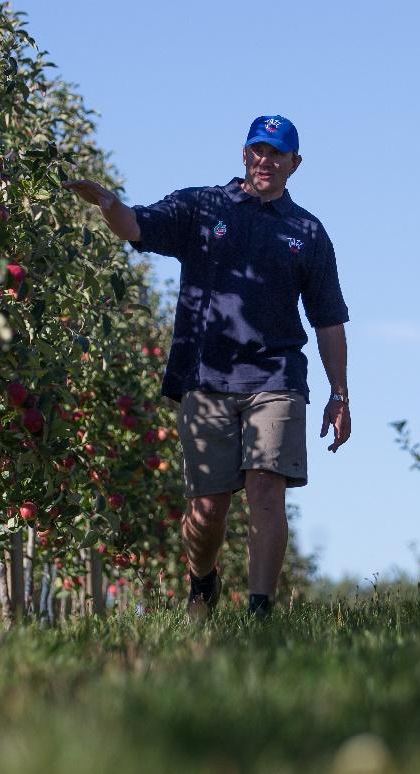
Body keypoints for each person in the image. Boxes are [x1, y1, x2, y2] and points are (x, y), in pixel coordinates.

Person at [65, 114, 350, 618]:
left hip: (277, 377)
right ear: (244, 154)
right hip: (206, 376)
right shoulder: (202, 206)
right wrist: (109, 204)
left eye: (277, 154)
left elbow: (328, 319)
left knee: (266, 491)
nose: (266, 161)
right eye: (258, 151)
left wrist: (339, 393)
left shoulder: (307, 231)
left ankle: (260, 610)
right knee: (207, 510)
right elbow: (137, 225)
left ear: (295, 164)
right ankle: (202, 580)